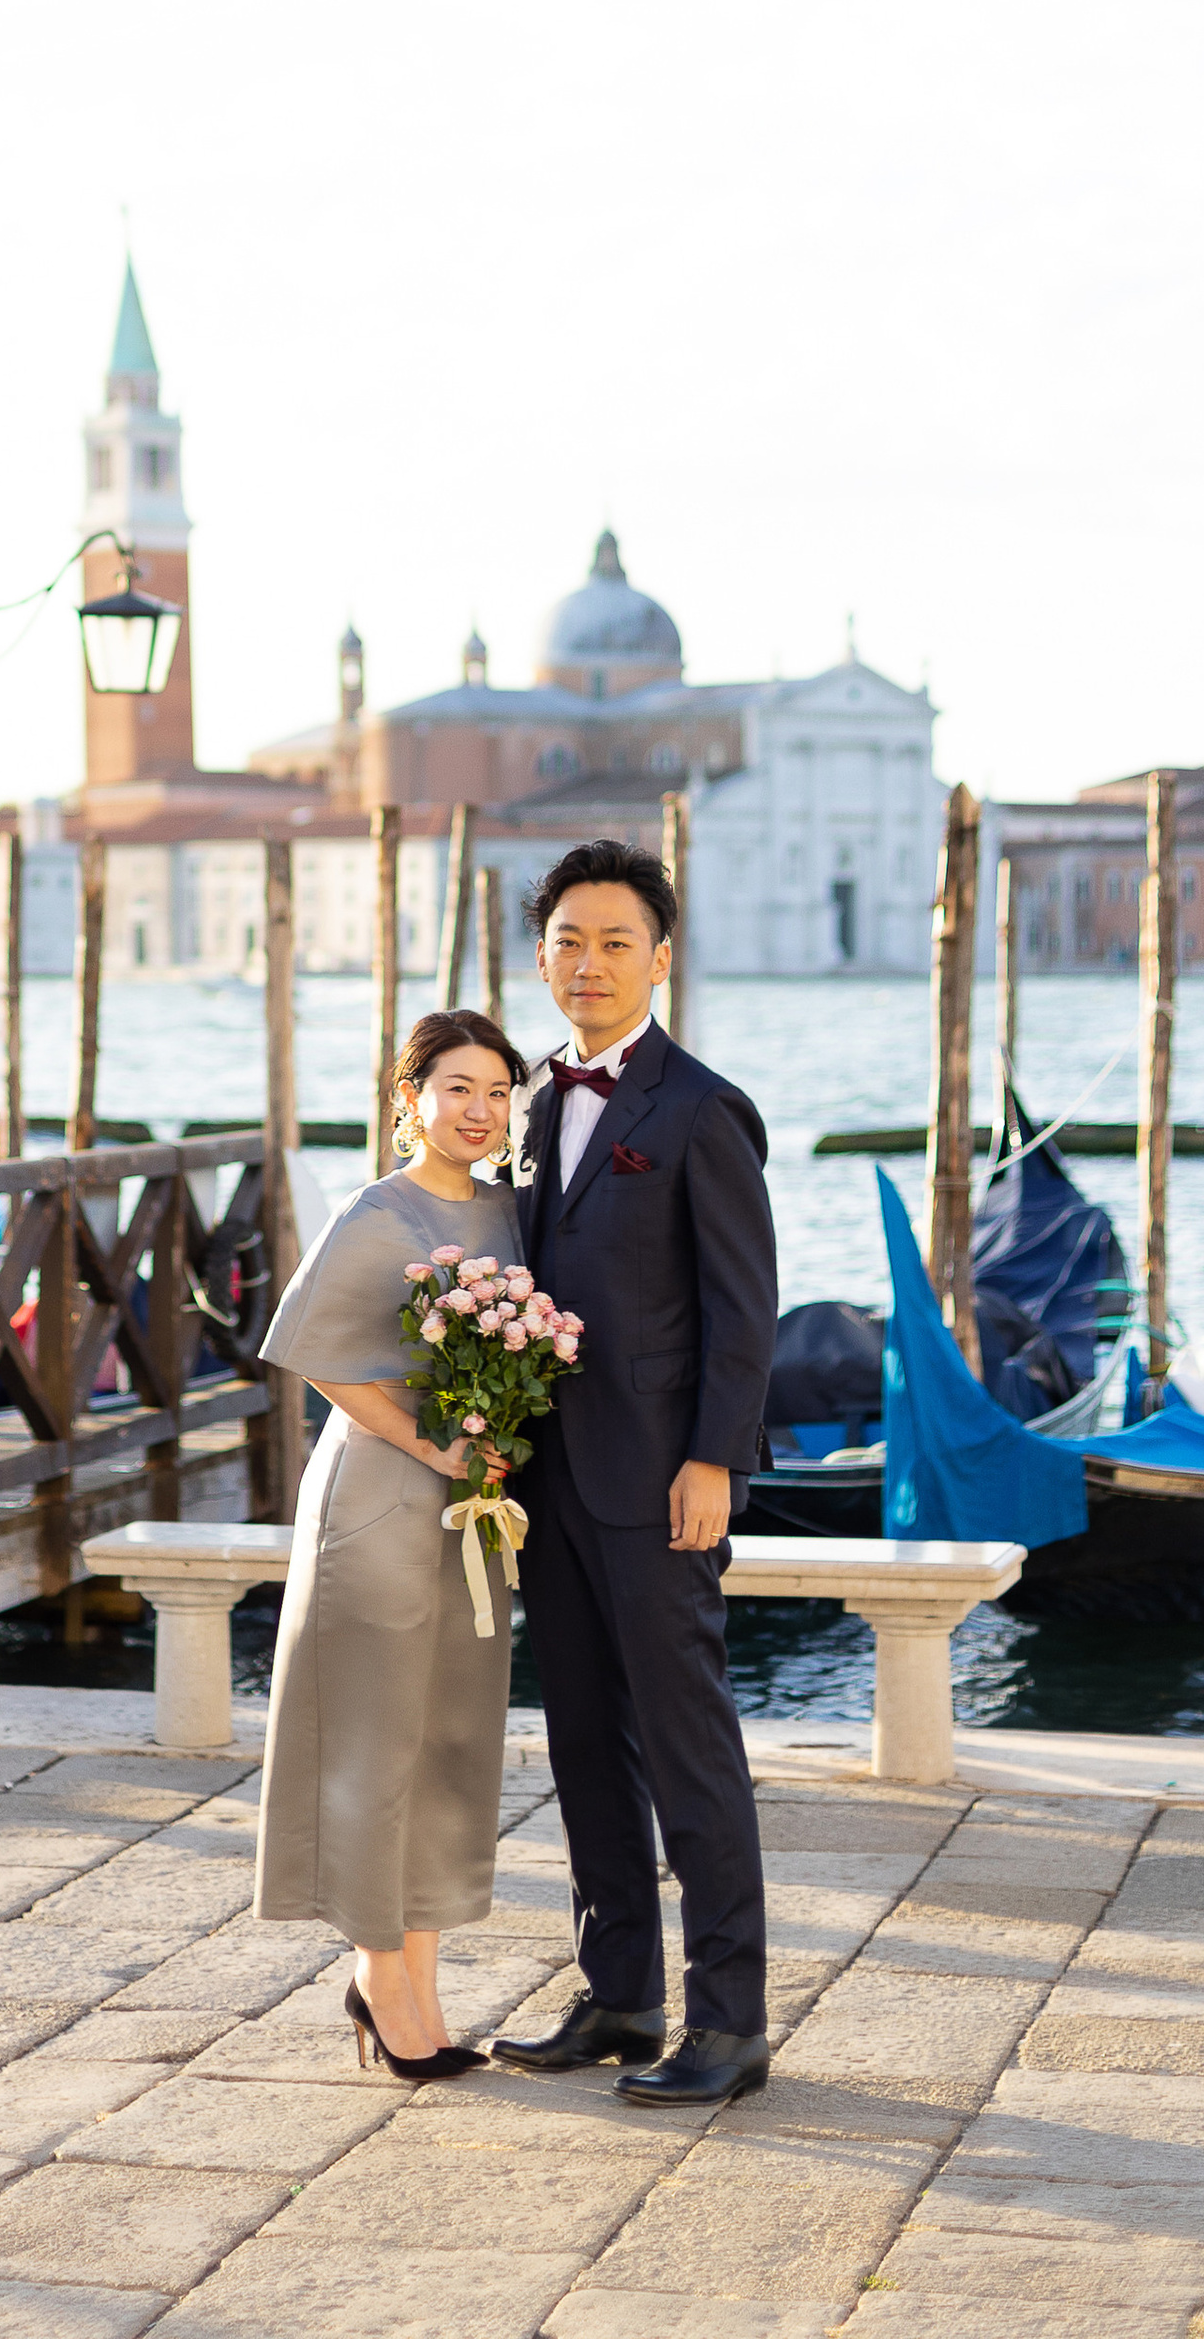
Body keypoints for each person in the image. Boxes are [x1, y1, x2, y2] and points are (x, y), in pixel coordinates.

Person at [490, 840, 781, 2109]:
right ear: (541, 957)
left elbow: (743, 1311)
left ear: (660, 959)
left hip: (663, 1483)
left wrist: (715, 1458)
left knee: (687, 1751)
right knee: (582, 1750)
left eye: (617, 942)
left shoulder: (702, 1111)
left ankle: (729, 2021)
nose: (590, 964)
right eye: (568, 941)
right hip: (550, 1486)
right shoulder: (534, 1106)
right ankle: (619, 1995)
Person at [254, 1008, 527, 2079]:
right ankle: (381, 1978)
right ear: (406, 1096)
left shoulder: (512, 1212)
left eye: (498, 1092)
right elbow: (319, 1355)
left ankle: (419, 1975)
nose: (479, 1110)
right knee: (373, 1741)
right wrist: (430, 1443)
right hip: (379, 1497)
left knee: (449, 1740)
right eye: (456, 1088)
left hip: (473, 1512)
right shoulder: (377, 1214)